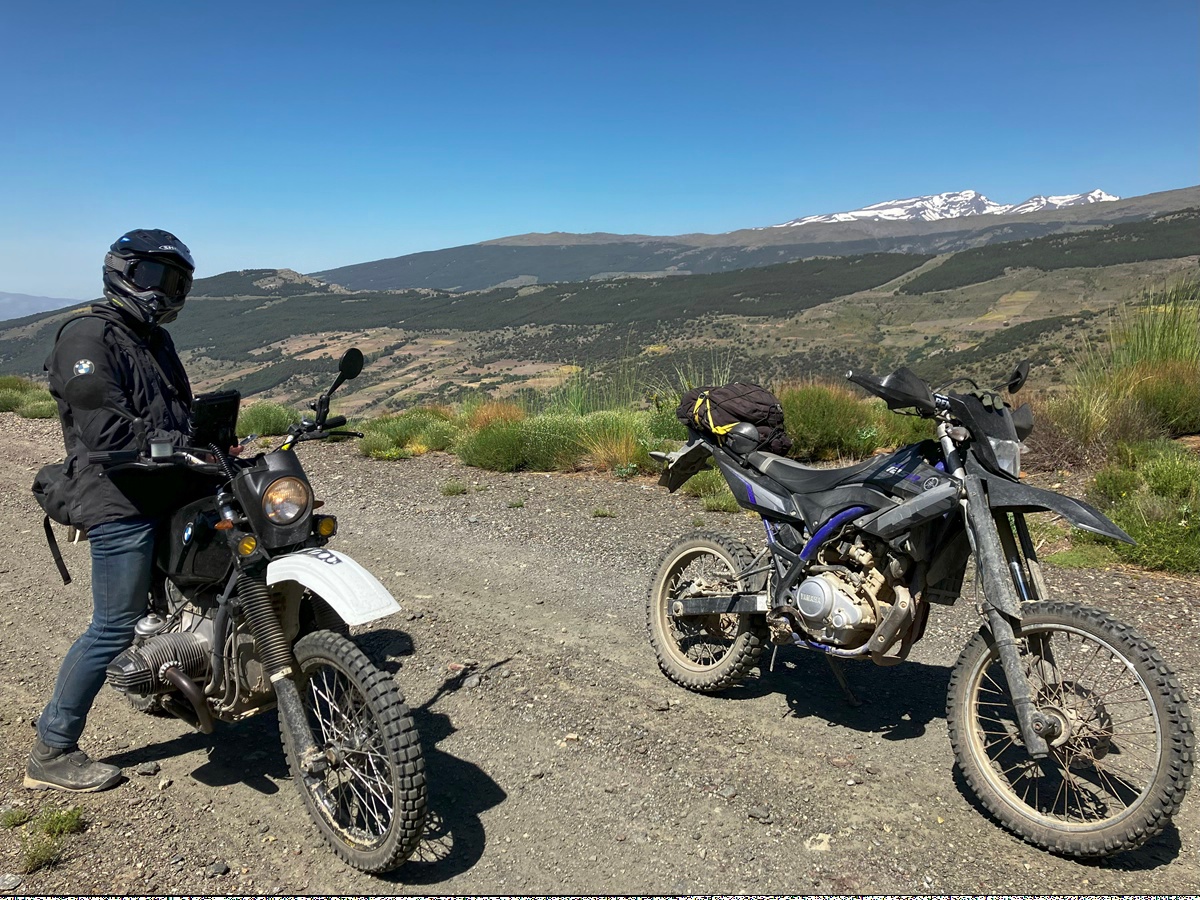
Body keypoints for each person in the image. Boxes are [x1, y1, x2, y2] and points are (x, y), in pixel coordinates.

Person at [26, 229, 197, 792]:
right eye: (152, 276)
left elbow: (177, 411)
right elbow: (102, 426)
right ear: (121, 271)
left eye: (174, 281)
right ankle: (52, 749)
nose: (162, 291)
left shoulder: (153, 340)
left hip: (165, 480)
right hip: (115, 491)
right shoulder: (86, 336)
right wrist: (168, 446)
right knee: (112, 624)